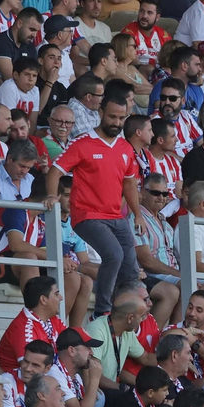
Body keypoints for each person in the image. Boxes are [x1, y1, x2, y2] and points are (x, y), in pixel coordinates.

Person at [47, 93, 140, 316]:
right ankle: (103, 310)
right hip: (87, 216)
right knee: (114, 255)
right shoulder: (82, 143)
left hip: (116, 217)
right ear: (100, 114)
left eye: (121, 118)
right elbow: (54, 172)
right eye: (112, 117)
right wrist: (52, 195)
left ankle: (123, 310)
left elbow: (129, 186)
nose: (116, 123)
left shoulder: (126, 148)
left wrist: (139, 214)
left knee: (131, 268)